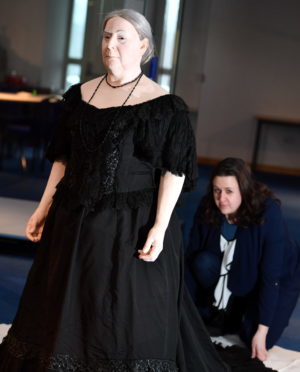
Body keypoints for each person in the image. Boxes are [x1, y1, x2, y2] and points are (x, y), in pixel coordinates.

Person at [0, 9, 230, 371]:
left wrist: (159, 226)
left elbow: (175, 170)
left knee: (118, 309)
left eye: (122, 37)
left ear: (142, 45)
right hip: (73, 220)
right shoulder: (79, 96)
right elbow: (62, 160)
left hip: (130, 225)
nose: (111, 45)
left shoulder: (163, 105)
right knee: (67, 303)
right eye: (107, 36)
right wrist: (43, 208)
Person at [185, 157, 300, 362]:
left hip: (279, 278)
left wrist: (262, 330)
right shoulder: (209, 207)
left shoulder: (268, 213)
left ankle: (240, 312)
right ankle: (228, 310)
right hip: (239, 268)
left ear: (244, 190)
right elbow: (191, 260)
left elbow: (270, 276)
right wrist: (185, 312)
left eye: (229, 191)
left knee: (253, 338)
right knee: (202, 263)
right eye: (216, 190)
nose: (221, 199)